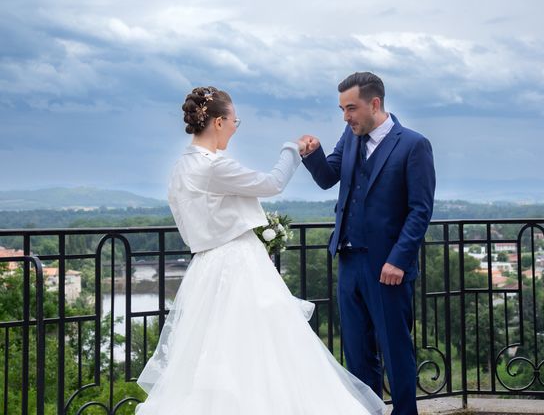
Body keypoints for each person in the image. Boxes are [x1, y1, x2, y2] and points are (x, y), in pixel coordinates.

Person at [135, 86, 385, 414]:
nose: (236, 129)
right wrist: (292, 149)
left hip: (205, 269)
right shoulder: (212, 167)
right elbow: (271, 184)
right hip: (238, 265)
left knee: (215, 354)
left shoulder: (181, 166)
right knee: (262, 350)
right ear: (220, 122)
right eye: (236, 121)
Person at [300, 72, 436, 415]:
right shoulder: (350, 135)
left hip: (387, 267)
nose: (346, 117)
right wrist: (313, 155)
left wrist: (399, 260)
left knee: (395, 350)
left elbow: (420, 210)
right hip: (348, 261)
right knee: (358, 353)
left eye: (351, 108)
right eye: (342, 109)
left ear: (374, 103)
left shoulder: (413, 144)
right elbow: (329, 178)